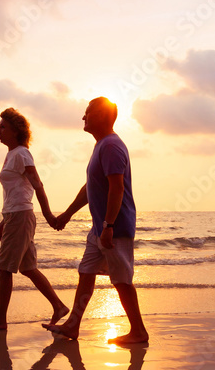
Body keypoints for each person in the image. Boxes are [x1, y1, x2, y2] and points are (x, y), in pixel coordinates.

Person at [44, 97, 149, 345]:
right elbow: (90, 188)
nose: (83, 117)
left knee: (122, 280)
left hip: (115, 227)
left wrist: (110, 225)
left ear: (101, 116)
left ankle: (139, 332)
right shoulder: (101, 146)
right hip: (100, 228)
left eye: (87, 112)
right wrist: (68, 214)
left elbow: (117, 187)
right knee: (86, 272)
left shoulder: (112, 146)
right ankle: (73, 325)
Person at [0, 108, 70, 331]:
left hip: (21, 216)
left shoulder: (21, 154)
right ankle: (59, 306)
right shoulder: (13, 153)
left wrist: (49, 216)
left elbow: (38, 185)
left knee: (4, 269)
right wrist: (4, 219)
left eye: (2, 126)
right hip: (16, 216)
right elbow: (16, 191)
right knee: (27, 267)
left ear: (16, 130)